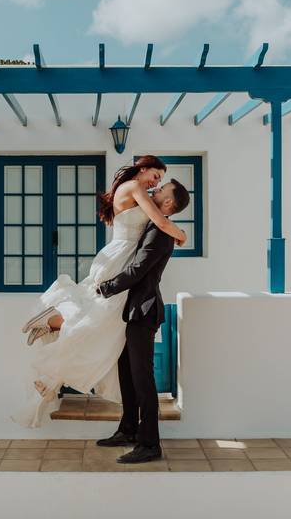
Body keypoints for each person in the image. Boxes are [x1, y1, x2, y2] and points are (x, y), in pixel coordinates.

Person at [11, 156, 189, 428]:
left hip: (121, 256)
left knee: (99, 326)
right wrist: (182, 235)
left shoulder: (134, 189)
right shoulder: (134, 187)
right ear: (142, 170)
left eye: (161, 182)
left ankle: (52, 364)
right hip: (120, 258)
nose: (156, 183)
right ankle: (53, 322)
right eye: (155, 176)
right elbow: (161, 222)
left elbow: (158, 222)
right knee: (97, 318)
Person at [93, 181, 190, 463]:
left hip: (143, 310)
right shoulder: (153, 225)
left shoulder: (161, 233)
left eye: (162, 191)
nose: (155, 191)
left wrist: (106, 287)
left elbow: (138, 269)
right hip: (132, 310)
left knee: (143, 379)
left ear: (169, 204)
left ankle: (150, 445)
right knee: (126, 372)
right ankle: (128, 429)